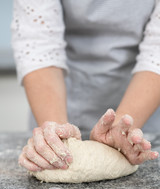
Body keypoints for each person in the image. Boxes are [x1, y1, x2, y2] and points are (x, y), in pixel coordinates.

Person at [12, 0, 160, 172]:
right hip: (59, 101)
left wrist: (122, 130)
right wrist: (56, 134)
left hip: (144, 114)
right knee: (53, 151)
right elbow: (38, 44)